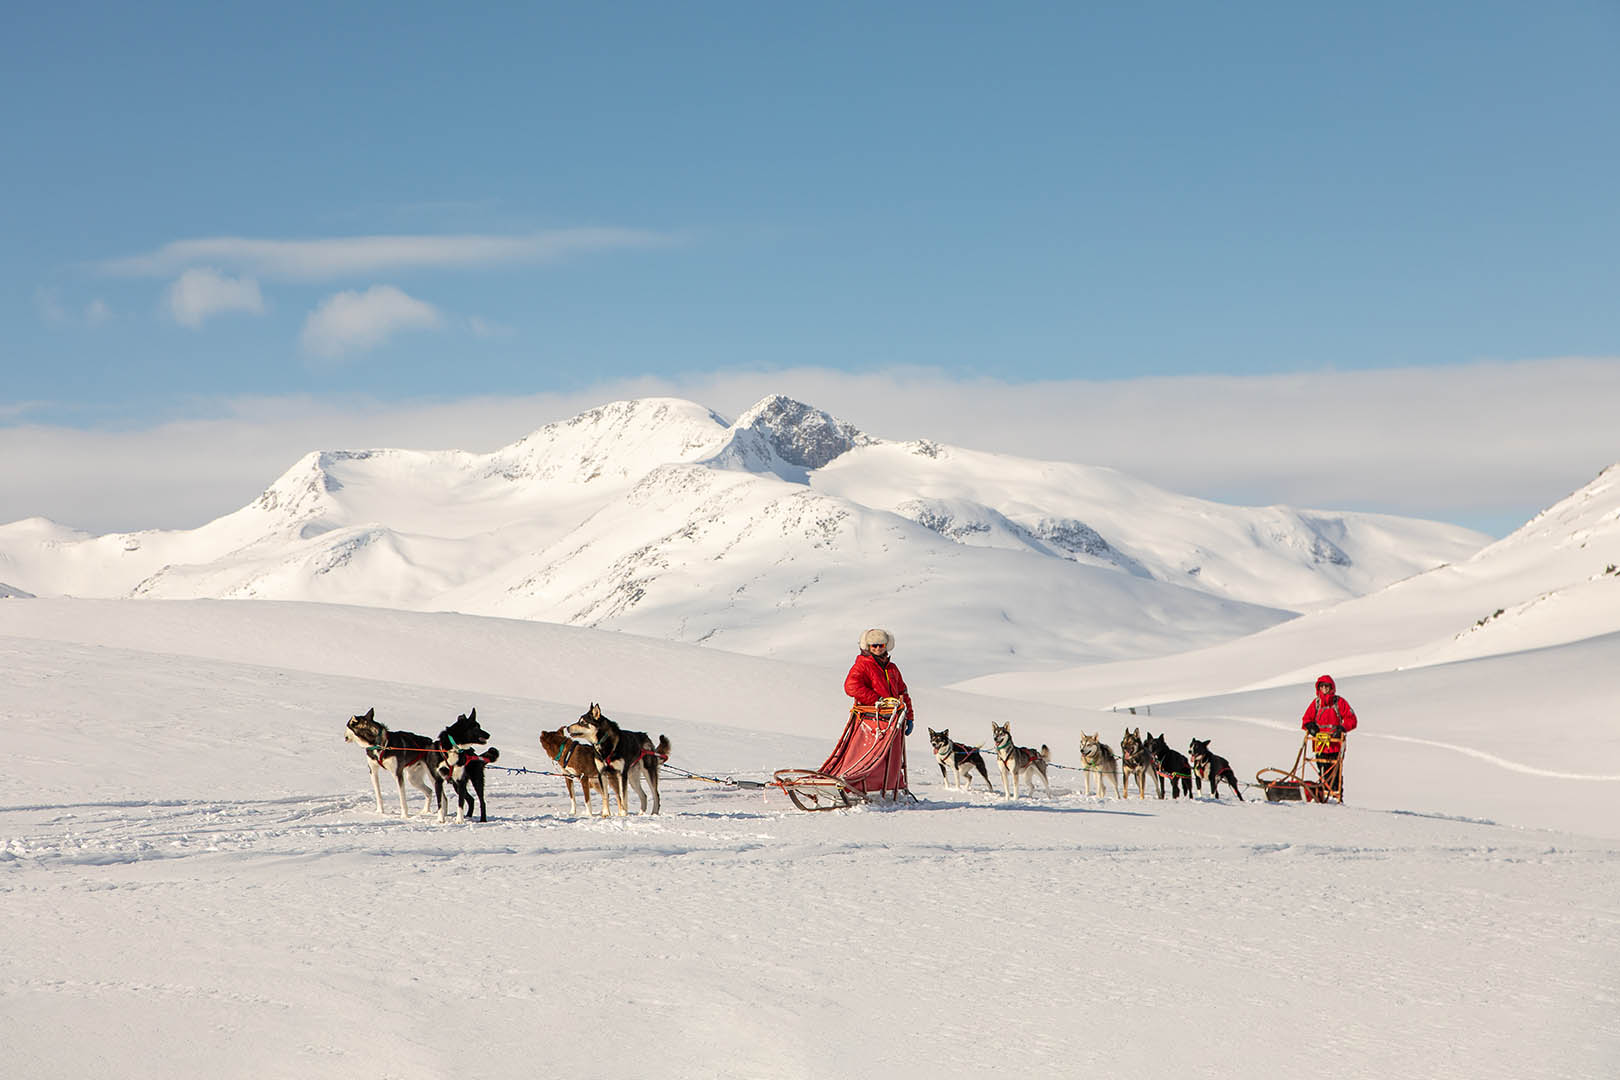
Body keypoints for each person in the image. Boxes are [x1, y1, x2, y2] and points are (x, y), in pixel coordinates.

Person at [844, 628, 915, 736]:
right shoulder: (862, 665)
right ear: (868, 646)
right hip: (871, 721)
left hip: (893, 721)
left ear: (886, 645)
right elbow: (851, 686)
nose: (878, 648)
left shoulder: (892, 668)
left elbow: (902, 692)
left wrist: (909, 716)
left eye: (881, 645)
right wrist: (877, 700)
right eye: (874, 645)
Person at [1301, 674, 1357, 799]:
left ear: (1331, 687)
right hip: (1320, 744)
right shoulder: (1316, 703)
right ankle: (1323, 795)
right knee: (1322, 771)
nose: (1324, 689)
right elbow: (1306, 719)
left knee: (1335, 773)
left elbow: (1352, 719)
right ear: (1318, 688)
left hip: (1335, 745)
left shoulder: (1339, 702)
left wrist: (1342, 728)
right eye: (1322, 686)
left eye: (1327, 686)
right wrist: (1310, 726)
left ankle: (1335, 796)